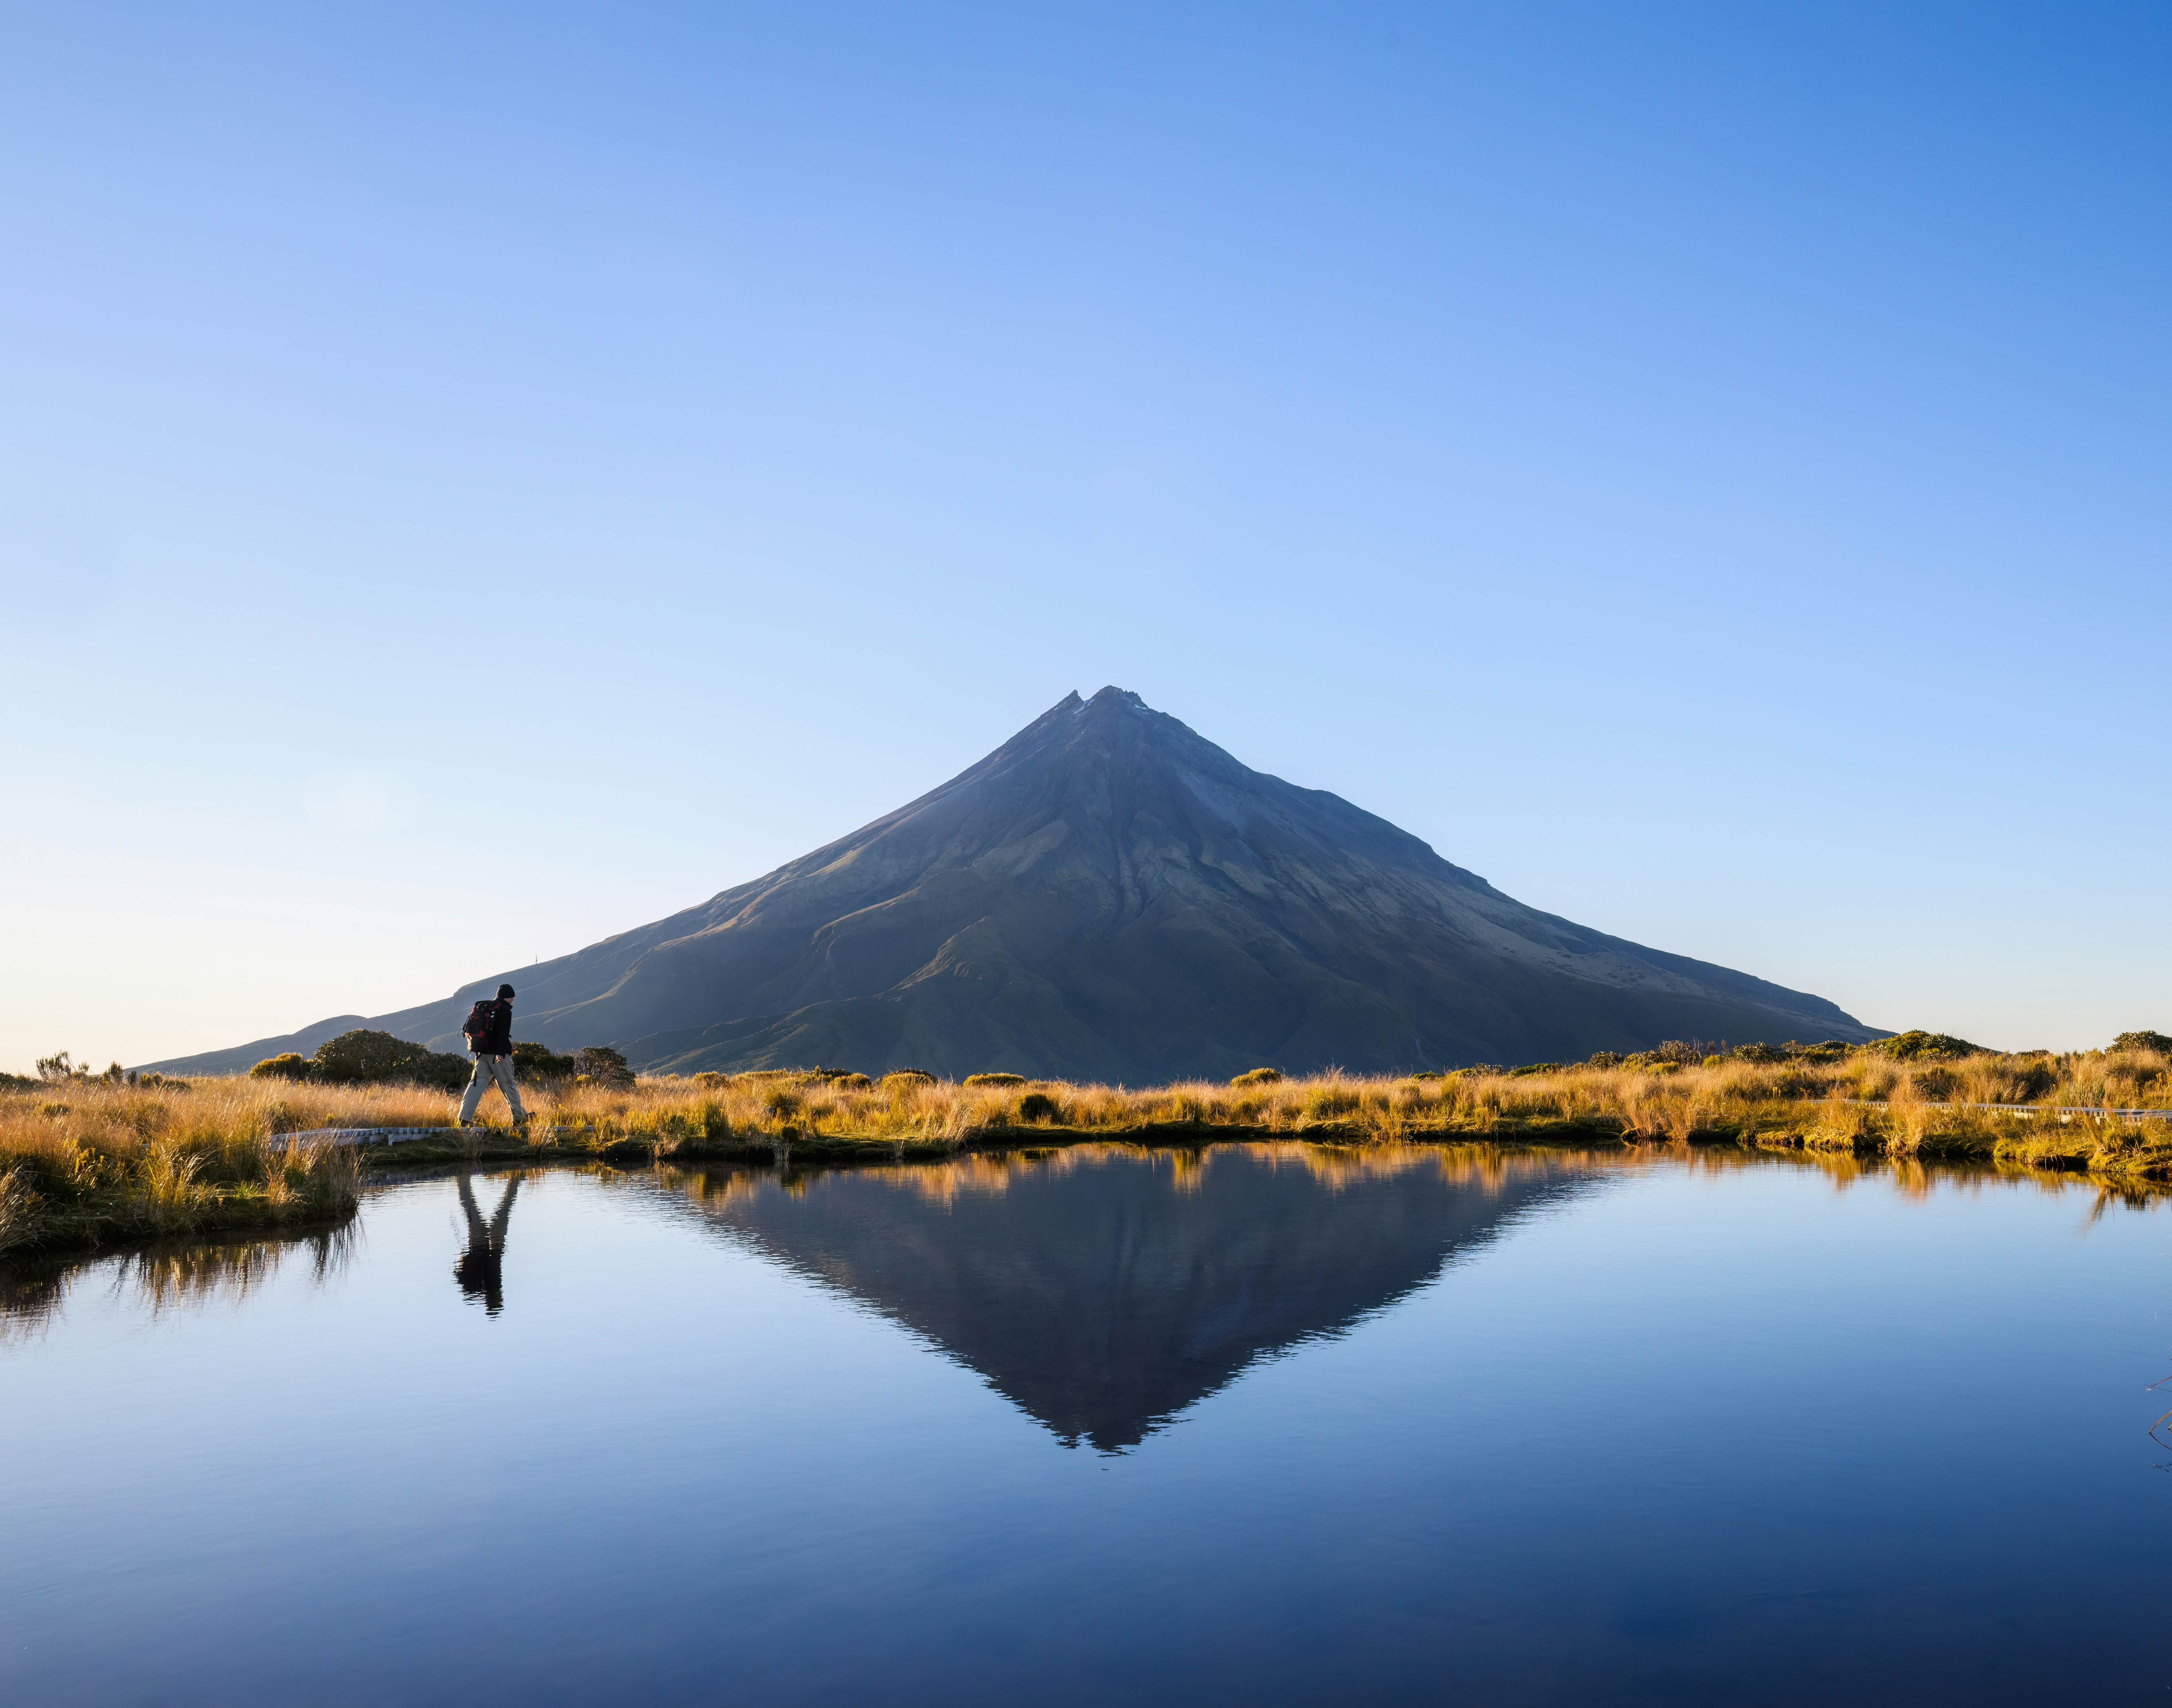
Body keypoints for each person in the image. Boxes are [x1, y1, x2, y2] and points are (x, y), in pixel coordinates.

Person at [456, 982, 529, 1127]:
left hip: (482, 1054)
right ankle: (519, 1119)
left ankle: (464, 1119)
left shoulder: (488, 1008)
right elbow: (501, 1033)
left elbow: (491, 1032)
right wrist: (502, 1053)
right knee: (508, 1086)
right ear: (510, 997)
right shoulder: (505, 1010)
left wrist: (508, 1043)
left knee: (475, 1086)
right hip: (498, 1056)